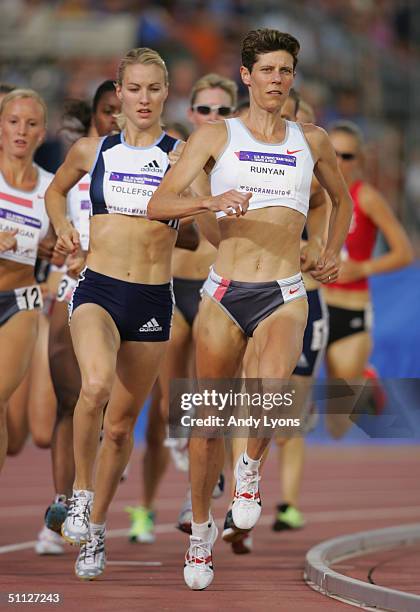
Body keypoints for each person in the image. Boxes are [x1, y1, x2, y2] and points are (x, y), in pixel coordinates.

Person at [149, 28, 353, 590]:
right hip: (223, 291)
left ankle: (250, 471)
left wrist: (330, 249)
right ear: (246, 76)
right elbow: (160, 201)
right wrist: (210, 200)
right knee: (207, 425)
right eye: (266, 70)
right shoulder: (216, 135)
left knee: (270, 392)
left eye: (285, 70)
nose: (276, 80)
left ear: (293, 77)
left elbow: (343, 198)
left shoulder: (310, 140)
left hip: (285, 291)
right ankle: (199, 539)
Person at [45, 47, 198, 580]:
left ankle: (99, 529)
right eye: (134, 88)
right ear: (120, 93)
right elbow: (56, 190)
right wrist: (63, 226)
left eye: (154, 88)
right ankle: (81, 497)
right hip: (99, 290)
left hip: (154, 299)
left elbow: (207, 224)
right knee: (94, 386)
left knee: (120, 428)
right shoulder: (94, 150)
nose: (144, 98)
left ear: (165, 92)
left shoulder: (183, 156)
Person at [126, 73, 238, 543]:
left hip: (219, 288)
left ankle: (209, 496)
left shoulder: (243, 162)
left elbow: (220, 235)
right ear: (191, 114)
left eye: (221, 111)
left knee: (212, 405)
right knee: (165, 410)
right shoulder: (172, 156)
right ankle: (144, 510)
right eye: (204, 110)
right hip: (170, 287)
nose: (211, 118)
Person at [222, 92, 330, 555]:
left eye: (299, 121)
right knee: (248, 398)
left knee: (285, 406)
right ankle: (240, 498)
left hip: (298, 293)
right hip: (245, 286)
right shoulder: (243, 144)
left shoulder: (310, 150)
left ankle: (283, 499)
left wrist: (322, 246)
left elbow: (328, 200)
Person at [38, 83, 121, 555]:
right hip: (74, 287)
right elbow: (53, 218)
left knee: (110, 409)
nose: (115, 117)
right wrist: (60, 240)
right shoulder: (80, 158)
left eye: (120, 109)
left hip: (128, 288)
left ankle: (94, 509)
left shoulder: (142, 162)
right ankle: (62, 503)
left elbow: (184, 237)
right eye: (107, 110)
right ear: (93, 114)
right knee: (72, 400)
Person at [324, 121, 414, 437]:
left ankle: (365, 378)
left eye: (347, 156)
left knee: (339, 421)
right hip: (313, 306)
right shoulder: (312, 194)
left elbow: (404, 252)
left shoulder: (367, 197)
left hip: (351, 307)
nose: (338, 162)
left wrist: (362, 268)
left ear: (359, 160)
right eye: (332, 153)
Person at [0, 89, 54, 473]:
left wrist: (62, 248)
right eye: (14, 121)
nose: (21, 130)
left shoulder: (52, 188)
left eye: (31, 123)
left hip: (21, 299)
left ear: (42, 133)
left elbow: (64, 243)